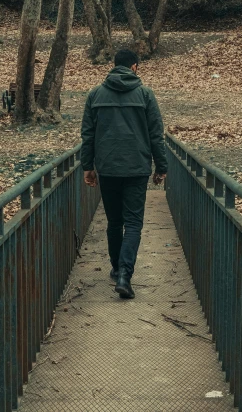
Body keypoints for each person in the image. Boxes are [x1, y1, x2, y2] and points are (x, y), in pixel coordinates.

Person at [81, 49, 168, 299]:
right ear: (134, 68)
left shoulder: (95, 94)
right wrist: (161, 167)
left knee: (114, 221)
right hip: (136, 169)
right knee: (133, 223)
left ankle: (117, 268)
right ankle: (124, 275)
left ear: (114, 66)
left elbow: (87, 134)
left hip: (107, 168)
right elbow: (155, 135)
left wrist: (88, 166)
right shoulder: (145, 94)